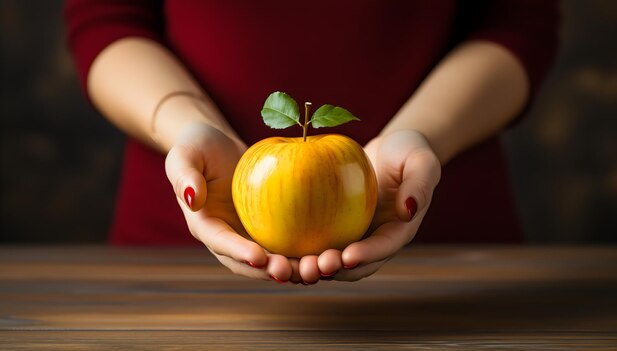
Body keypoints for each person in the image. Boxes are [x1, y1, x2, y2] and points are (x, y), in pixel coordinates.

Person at [64, 1, 559, 284]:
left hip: (452, 265)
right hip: (171, 263)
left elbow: (519, 22)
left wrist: (423, 133)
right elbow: (105, 18)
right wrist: (184, 123)